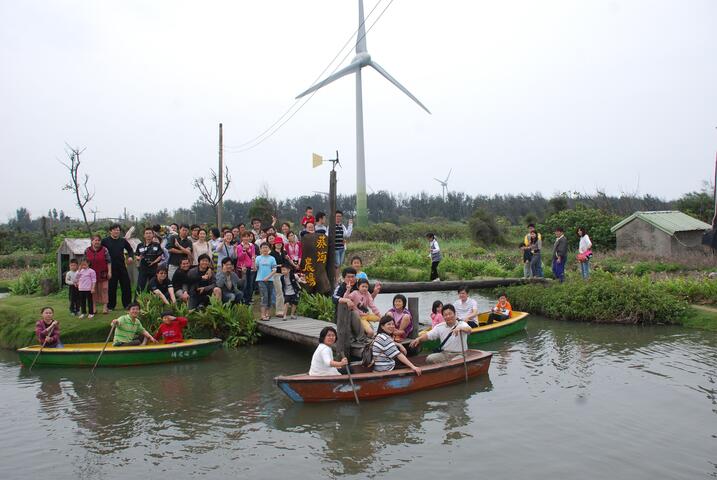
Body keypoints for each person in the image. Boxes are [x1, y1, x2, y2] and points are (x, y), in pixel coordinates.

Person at [101, 224, 134, 311]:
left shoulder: (123, 241)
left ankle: (127, 305)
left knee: (126, 286)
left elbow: (130, 250)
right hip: (110, 268)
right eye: (115, 230)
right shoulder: (105, 241)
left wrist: (130, 257)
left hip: (122, 266)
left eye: (118, 230)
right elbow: (100, 251)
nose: (117, 232)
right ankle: (111, 306)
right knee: (112, 287)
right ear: (110, 231)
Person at [85, 235, 112, 314]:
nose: (97, 242)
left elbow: (109, 261)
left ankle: (105, 307)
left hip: (103, 273)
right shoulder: (87, 250)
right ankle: (94, 308)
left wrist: (109, 272)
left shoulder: (104, 249)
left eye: (98, 240)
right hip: (91, 274)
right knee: (93, 290)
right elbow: (84, 262)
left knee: (104, 289)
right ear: (92, 241)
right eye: (95, 240)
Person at [135, 227, 164, 294]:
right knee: (140, 286)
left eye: (150, 233)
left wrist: (154, 262)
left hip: (153, 268)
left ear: (153, 235)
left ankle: (152, 299)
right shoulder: (140, 245)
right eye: (147, 233)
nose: (148, 235)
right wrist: (138, 258)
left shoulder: (157, 245)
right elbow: (136, 255)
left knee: (153, 286)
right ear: (144, 235)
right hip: (143, 268)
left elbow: (160, 256)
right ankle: (136, 300)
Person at [256, 242, 278, 320]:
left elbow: (274, 269)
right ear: (260, 249)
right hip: (261, 280)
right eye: (263, 247)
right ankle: (262, 315)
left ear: (269, 249)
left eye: (266, 247)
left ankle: (267, 313)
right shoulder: (258, 258)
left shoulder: (272, 258)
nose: (265, 249)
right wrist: (252, 261)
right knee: (264, 296)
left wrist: (268, 277)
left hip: (270, 280)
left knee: (269, 297)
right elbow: (255, 268)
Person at [270, 238, 289, 316]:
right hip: (276, 274)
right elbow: (271, 265)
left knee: (285, 291)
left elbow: (287, 263)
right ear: (274, 244)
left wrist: (283, 265)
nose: (279, 244)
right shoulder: (272, 253)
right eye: (277, 243)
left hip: (284, 274)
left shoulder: (284, 252)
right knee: (279, 292)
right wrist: (279, 265)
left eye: (280, 243)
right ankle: (279, 311)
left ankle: (285, 309)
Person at [236, 232, 257, 305]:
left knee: (250, 284)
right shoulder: (239, 247)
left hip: (251, 267)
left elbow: (253, 256)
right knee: (244, 284)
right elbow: (240, 258)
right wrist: (244, 250)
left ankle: (249, 299)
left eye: (247, 236)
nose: (246, 238)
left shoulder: (252, 245)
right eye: (244, 237)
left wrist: (254, 265)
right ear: (242, 238)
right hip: (243, 268)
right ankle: (244, 299)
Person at [333, 210, 353, 279]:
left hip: (342, 248)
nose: (338, 218)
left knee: (340, 265)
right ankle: (336, 279)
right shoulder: (331, 226)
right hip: (335, 249)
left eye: (340, 216)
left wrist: (350, 225)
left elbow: (347, 235)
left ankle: (337, 278)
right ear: (334, 217)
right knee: (337, 264)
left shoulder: (342, 226)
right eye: (337, 216)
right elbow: (327, 235)